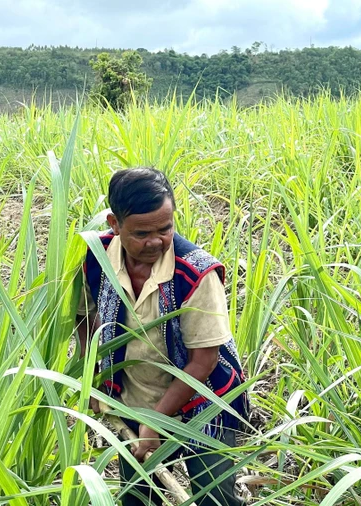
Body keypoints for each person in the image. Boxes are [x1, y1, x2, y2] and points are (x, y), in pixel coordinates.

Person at [76, 167, 248, 506]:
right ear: (114, 224)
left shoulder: (196, 273)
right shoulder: (97, 258)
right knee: (138, 496)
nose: (155, 241)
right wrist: (92, 378)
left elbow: (204, 361)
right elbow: (85, 318)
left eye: (165, 229)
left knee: (216, 496)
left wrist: (155, 424)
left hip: (203, 404)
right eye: (141, 233)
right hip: (134, 400)